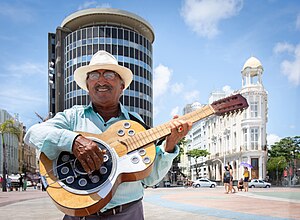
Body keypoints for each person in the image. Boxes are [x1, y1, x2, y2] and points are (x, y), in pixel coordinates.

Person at [24, 50, 192, 220]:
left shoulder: (137, 123)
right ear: (88, 86)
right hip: (79, 214)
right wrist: (74, 141)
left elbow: (150, 178)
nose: (101, 80)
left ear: (122, 86)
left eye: (110, 74)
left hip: (127, 213)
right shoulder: (72, 116)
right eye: (94, 75)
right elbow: (33, 133)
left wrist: (170, 145)